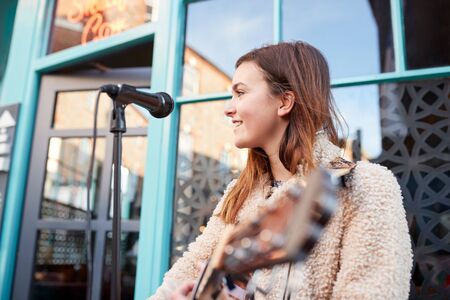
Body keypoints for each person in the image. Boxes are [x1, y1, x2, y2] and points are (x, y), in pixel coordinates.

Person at [149, 41, 413, 299]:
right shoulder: (240, 193)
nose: (228, 108)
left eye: (240, 93)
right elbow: (181, 276)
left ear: (284, 101)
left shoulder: (365, 184)